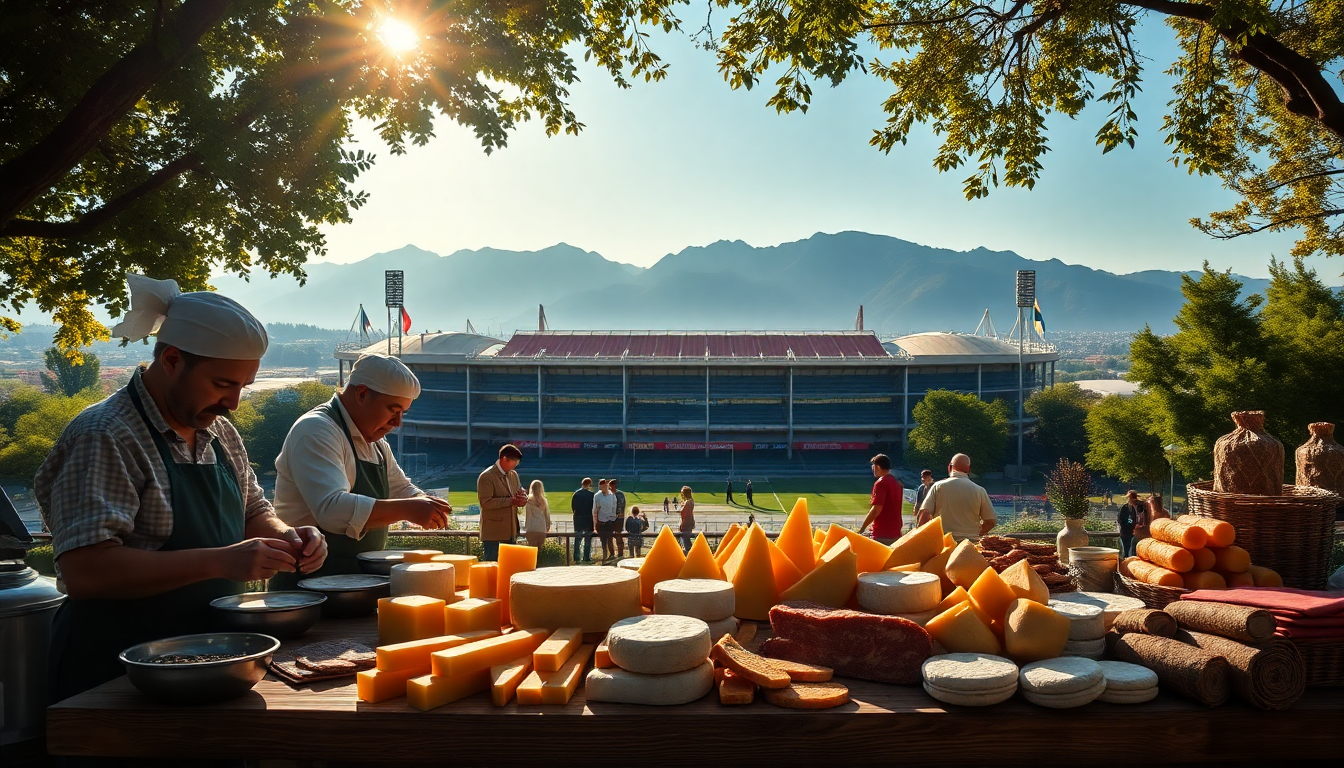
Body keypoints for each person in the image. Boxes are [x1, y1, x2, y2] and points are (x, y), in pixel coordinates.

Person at [35, 273, 329, 703]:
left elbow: (252, 511)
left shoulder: (220, 433)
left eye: (242, 387)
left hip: (211, 661)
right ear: (171, 359)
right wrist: (221, 562)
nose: (233, 403)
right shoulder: (105, 435)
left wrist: (286, 535)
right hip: (117, 678)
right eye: (222, 384)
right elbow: (86, 571)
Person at [272, 353, 451, 587]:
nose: (397, 423)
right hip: (308, 587)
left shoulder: (375, 442)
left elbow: (400, 487)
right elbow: (331, 510)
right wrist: (409, 508)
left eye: (402, 413)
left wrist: (423, 501)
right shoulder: (316, 430)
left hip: (355, 584)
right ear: (362, 394)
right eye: (392, 410)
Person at [916, 453, 996, 541]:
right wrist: (979, 533)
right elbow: (990, 521)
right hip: (970, 545)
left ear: (950, 466)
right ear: (968, 469)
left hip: (943, 543)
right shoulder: (980, 490)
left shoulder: (938, 486)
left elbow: (924, 514)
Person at [477, 444, 526, 561]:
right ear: (504, 459)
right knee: (492, 567)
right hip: (493, 534)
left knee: (509, 567)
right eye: (514, 462)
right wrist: (511, 501)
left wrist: (523, 498)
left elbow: (520, 490)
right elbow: (486, 503)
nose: (516, 465)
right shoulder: (486, 477)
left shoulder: (513, 475)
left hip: (511, 532)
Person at [859, 453, 904, 545]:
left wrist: (862, 528)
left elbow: (876, 510)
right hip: (895, 531)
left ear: (878, 466)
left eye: (873, 465)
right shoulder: (896, 482)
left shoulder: (881, 483)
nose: (872, 468)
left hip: (882, 533)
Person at [571, 478, 595, 563]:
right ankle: (586, 557)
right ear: (589, 484)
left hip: (578, 519)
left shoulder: (576, 494)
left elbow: (573, 508)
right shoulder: (592, 495)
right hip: (588, 519)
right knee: (588, 539)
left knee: (578, 539)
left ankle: (576, 557)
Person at [592, 479, 618, 561]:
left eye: (604, 485)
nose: (603, 487)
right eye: (601, 486)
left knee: (610, 539)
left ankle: (612, 554)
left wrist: (614, 518)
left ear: (607, 485)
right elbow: (595, 509)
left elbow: (614, 506)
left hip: (610, 520)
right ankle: (604, 556)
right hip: (601, 521)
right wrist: (595, 523)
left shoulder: (612, 495)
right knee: (603, 540)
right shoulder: (597, 496)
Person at [524, 479, 551, 548]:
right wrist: (547, 526)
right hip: (541, 527)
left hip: (532, 528)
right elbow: (547, 515)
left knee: (532, 549)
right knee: (540, 549)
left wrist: (526, 527)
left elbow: (528, 516)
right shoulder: (544, 501)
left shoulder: (529, 501)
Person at [1116, 490, 1143, 558]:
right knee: (1127, 548)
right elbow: (1121, 519)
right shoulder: (1125, 507)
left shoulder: (1138, 507)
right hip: (1127, 531)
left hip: (1134, 531)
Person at [610, 478, 627, 558]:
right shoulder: (607, 494)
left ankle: (620, 553)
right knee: (609, 535)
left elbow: (622, 506)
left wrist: (618, 514)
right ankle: (612, 553)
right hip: (610, 518)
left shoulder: (620, 494)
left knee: (618, 535)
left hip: (618, 518)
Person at [678, 486, 696, 552]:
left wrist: (682, 525)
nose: (681, 495)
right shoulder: (690, 501)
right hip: (688, 525)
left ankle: (690, 557)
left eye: (682, 493)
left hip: (685, 526)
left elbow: (686, 515)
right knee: (686, 543)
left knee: (686, 545)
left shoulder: (688, 503)